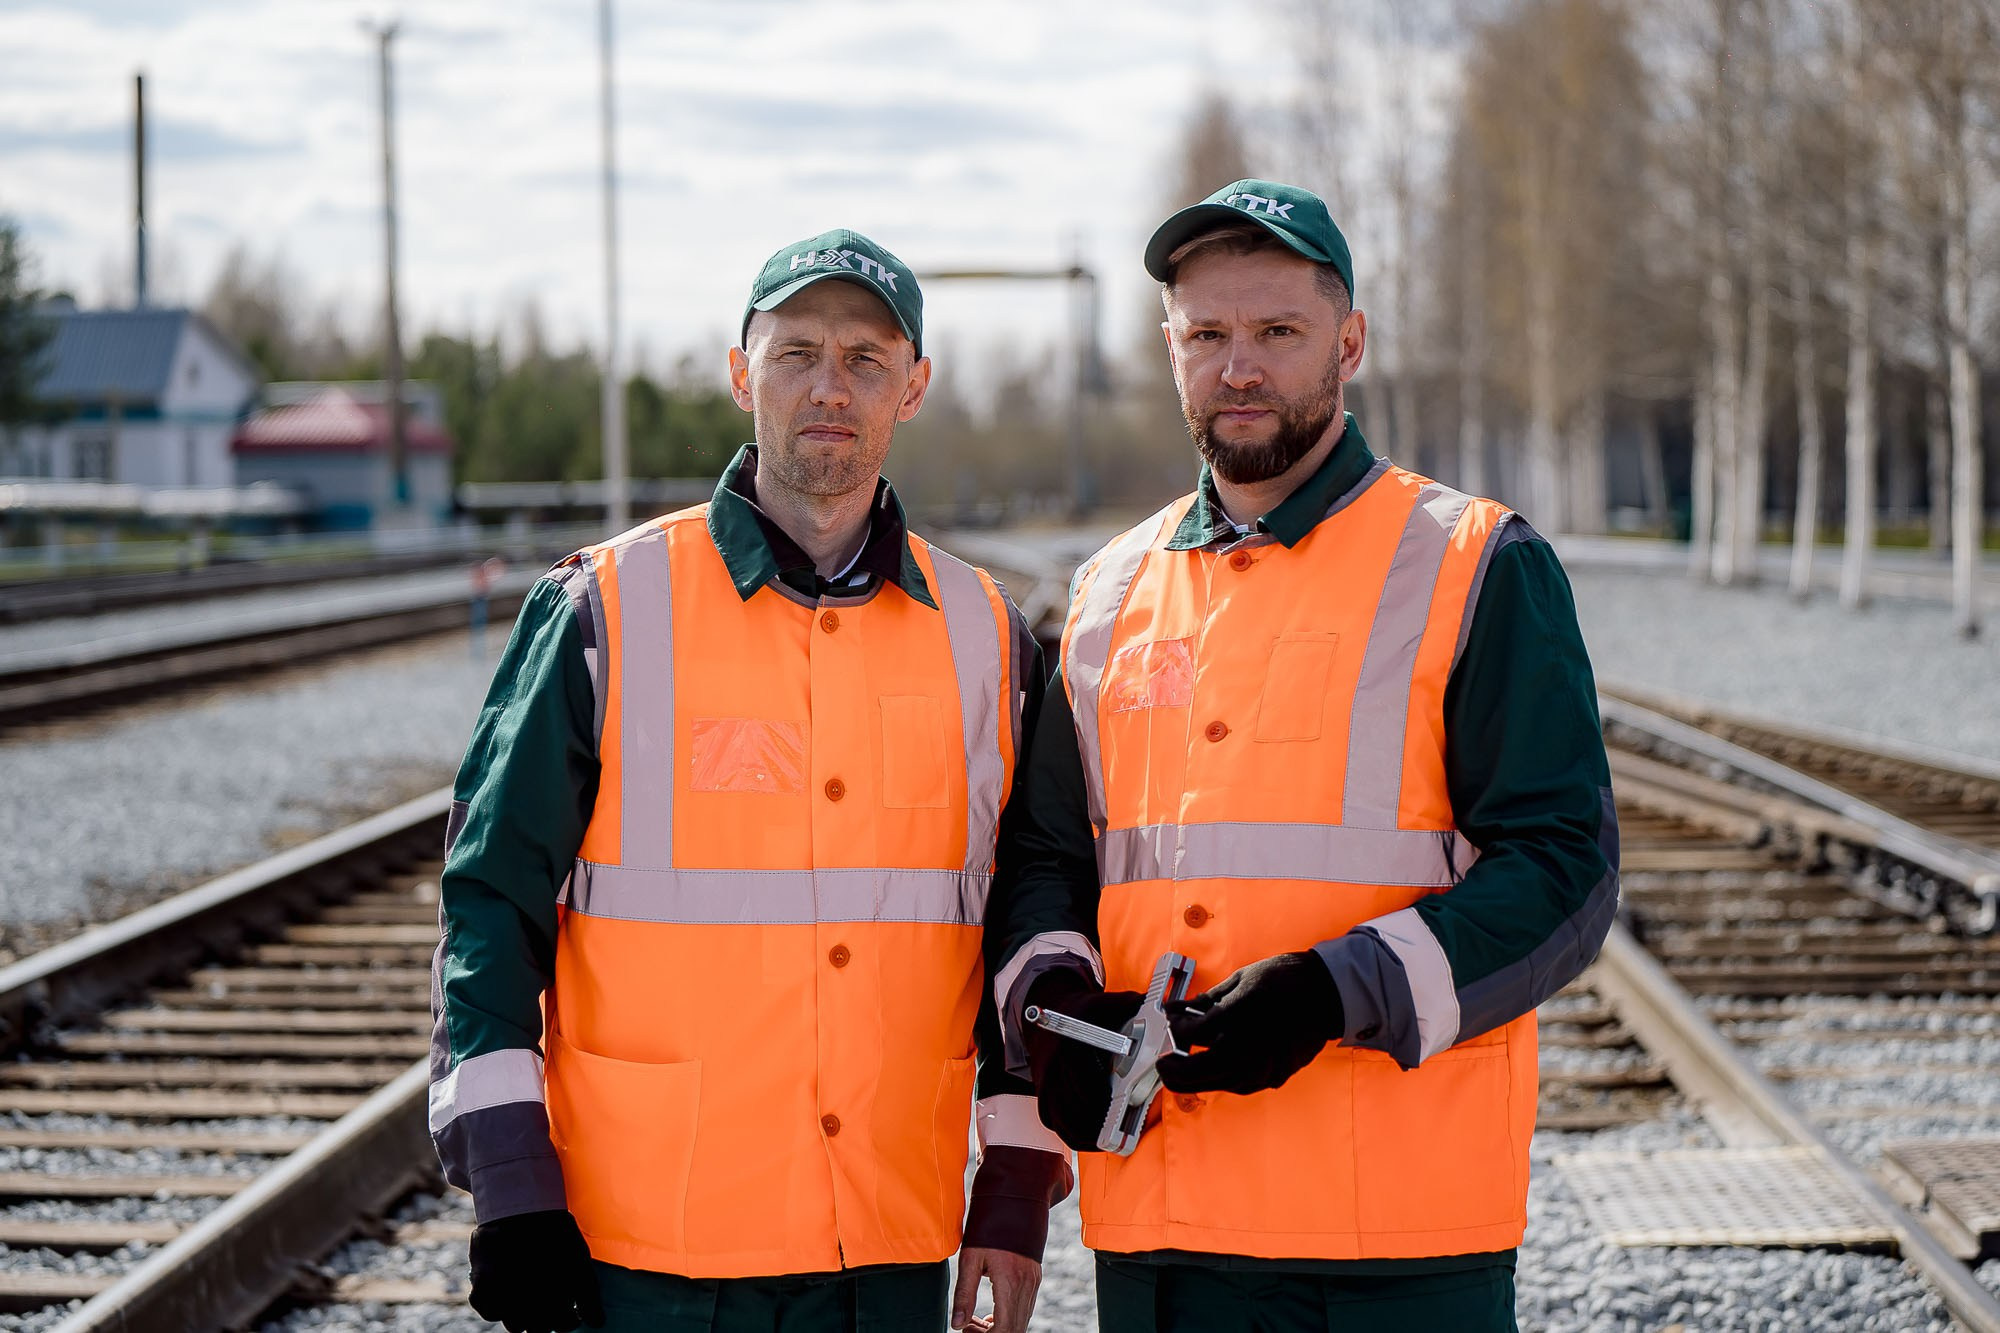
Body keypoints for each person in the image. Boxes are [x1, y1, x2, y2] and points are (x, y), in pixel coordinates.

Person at [991, 179, 1620, 1332]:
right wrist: (1049, 1003)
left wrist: (1335, 989)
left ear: (1349, 340)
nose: (1241, 367)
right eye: (1209, 335)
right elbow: (1043, 856)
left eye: (1277, 333)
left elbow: (1562, 871)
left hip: (1396, 1232)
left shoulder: (1476, 562)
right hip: (1161, 1226)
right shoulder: (1105, 593)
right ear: (1168, 348)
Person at [429, 229, 1071, 1333]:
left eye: (867, 360)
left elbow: (1027, 923)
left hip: (882, 1242)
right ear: (741, 372)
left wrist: (1011, 1183)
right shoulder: (602, 611)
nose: (831, 386)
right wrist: (509, 1183)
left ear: (912, 389)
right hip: (645, 1242)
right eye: (797, 352)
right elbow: (489, 904)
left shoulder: (988, 640)